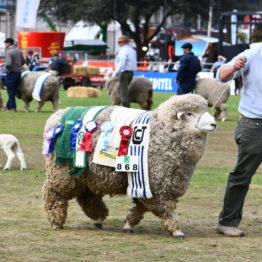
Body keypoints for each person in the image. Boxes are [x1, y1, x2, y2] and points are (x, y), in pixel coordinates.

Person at [216, 44, 262, 237]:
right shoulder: (253, 53)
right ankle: (227, 222)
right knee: (242, 175)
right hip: (254, 125)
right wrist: (234, 66)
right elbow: (221, 75)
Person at [111, 35, 137, 107]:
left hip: (124, 72)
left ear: (123, 42)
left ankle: (126, 107)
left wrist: (115, 73)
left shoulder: (123, 50)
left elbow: (121, 63)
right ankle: (123, 104)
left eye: (120, 42)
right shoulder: (132, 50)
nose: (119, 43)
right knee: (121, 89)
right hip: (130, 72)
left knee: (123, 91)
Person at [0, 38, 25, 112]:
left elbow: (9, 63)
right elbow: (23, 62)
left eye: (6, 43)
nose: (5, 45)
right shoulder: (19, 51)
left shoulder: (9, 52)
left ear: (9, 43)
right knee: (13, 91)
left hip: (11, 73)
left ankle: (13, 108)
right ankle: (8, 106)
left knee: (10, 91)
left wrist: (3, 64)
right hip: (18, 73)